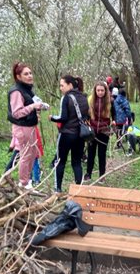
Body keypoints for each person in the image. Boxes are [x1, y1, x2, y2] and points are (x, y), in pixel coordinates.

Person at [7, 62, 46, 190]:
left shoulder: (27, 89)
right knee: (26, 154)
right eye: (26, 74)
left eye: (30, 73)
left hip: (30, 126)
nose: (30, 76)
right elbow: (17, 113)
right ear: (18, 77)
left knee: (33, 153)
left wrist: (41, 105)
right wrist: (32, 107)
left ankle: (27, 181)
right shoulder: (16, 92)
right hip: (22, 127)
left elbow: (34, 102)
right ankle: (24, 183)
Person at [50, 75, 89, 193]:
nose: (60, 88)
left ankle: (58, 189)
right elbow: (87, 116)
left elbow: (63, 118)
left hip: (66, 135)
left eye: (62, 85)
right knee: (76, 163)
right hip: (80, 136)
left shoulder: (66, 98)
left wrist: (52, 118)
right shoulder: (84, 97)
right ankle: (79, 189)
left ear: (70, 85)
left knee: (60, 161)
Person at [85, 81, 112, 181]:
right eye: (98, 90)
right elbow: (86, 113)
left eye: (102, 90)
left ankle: (102, 175)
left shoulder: (110, 101)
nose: (100, 92)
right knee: (91, 153)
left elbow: (115, 115)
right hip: (92, 131)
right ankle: (88, 174)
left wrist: (113, 123)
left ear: (105, 91)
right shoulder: (90, 100)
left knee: (102, 154)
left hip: (104, 131)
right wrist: (86, 120)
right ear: (95, 91)